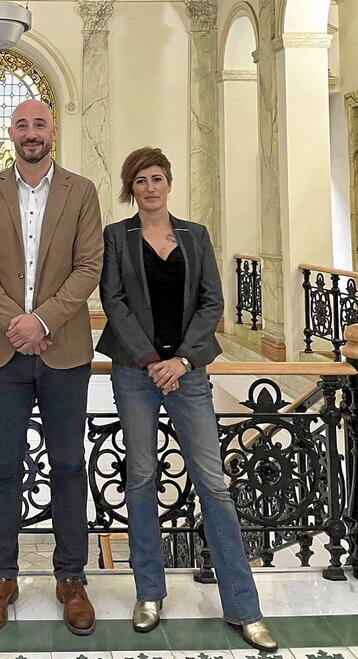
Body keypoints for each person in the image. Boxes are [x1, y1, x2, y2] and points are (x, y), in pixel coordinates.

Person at [96, 146, 277, 652]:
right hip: (135, 373)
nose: (150, 188)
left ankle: (245, 606)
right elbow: (113, 300)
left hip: (190, 374)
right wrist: (152, 359)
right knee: (141, 476)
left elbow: (212, 301)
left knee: (213, 484)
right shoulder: (118, 237)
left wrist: (183, 362)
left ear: (169, 183)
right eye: (140, 180)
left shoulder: (195, 235)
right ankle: (149, 593)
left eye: (157, 178)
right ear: (130, 188)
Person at [0, 100, 103, 636]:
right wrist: (15, 322)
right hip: (2, 354)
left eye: (39, 123)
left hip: (64, 352)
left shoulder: (82, 191)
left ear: (53, 131)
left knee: (69, 466)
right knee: (2, 469)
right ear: (11, 133)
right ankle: (1, 579)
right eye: (21, 125)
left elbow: (89, 264)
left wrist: (42, 320)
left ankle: (71, 578)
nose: (31, 132)